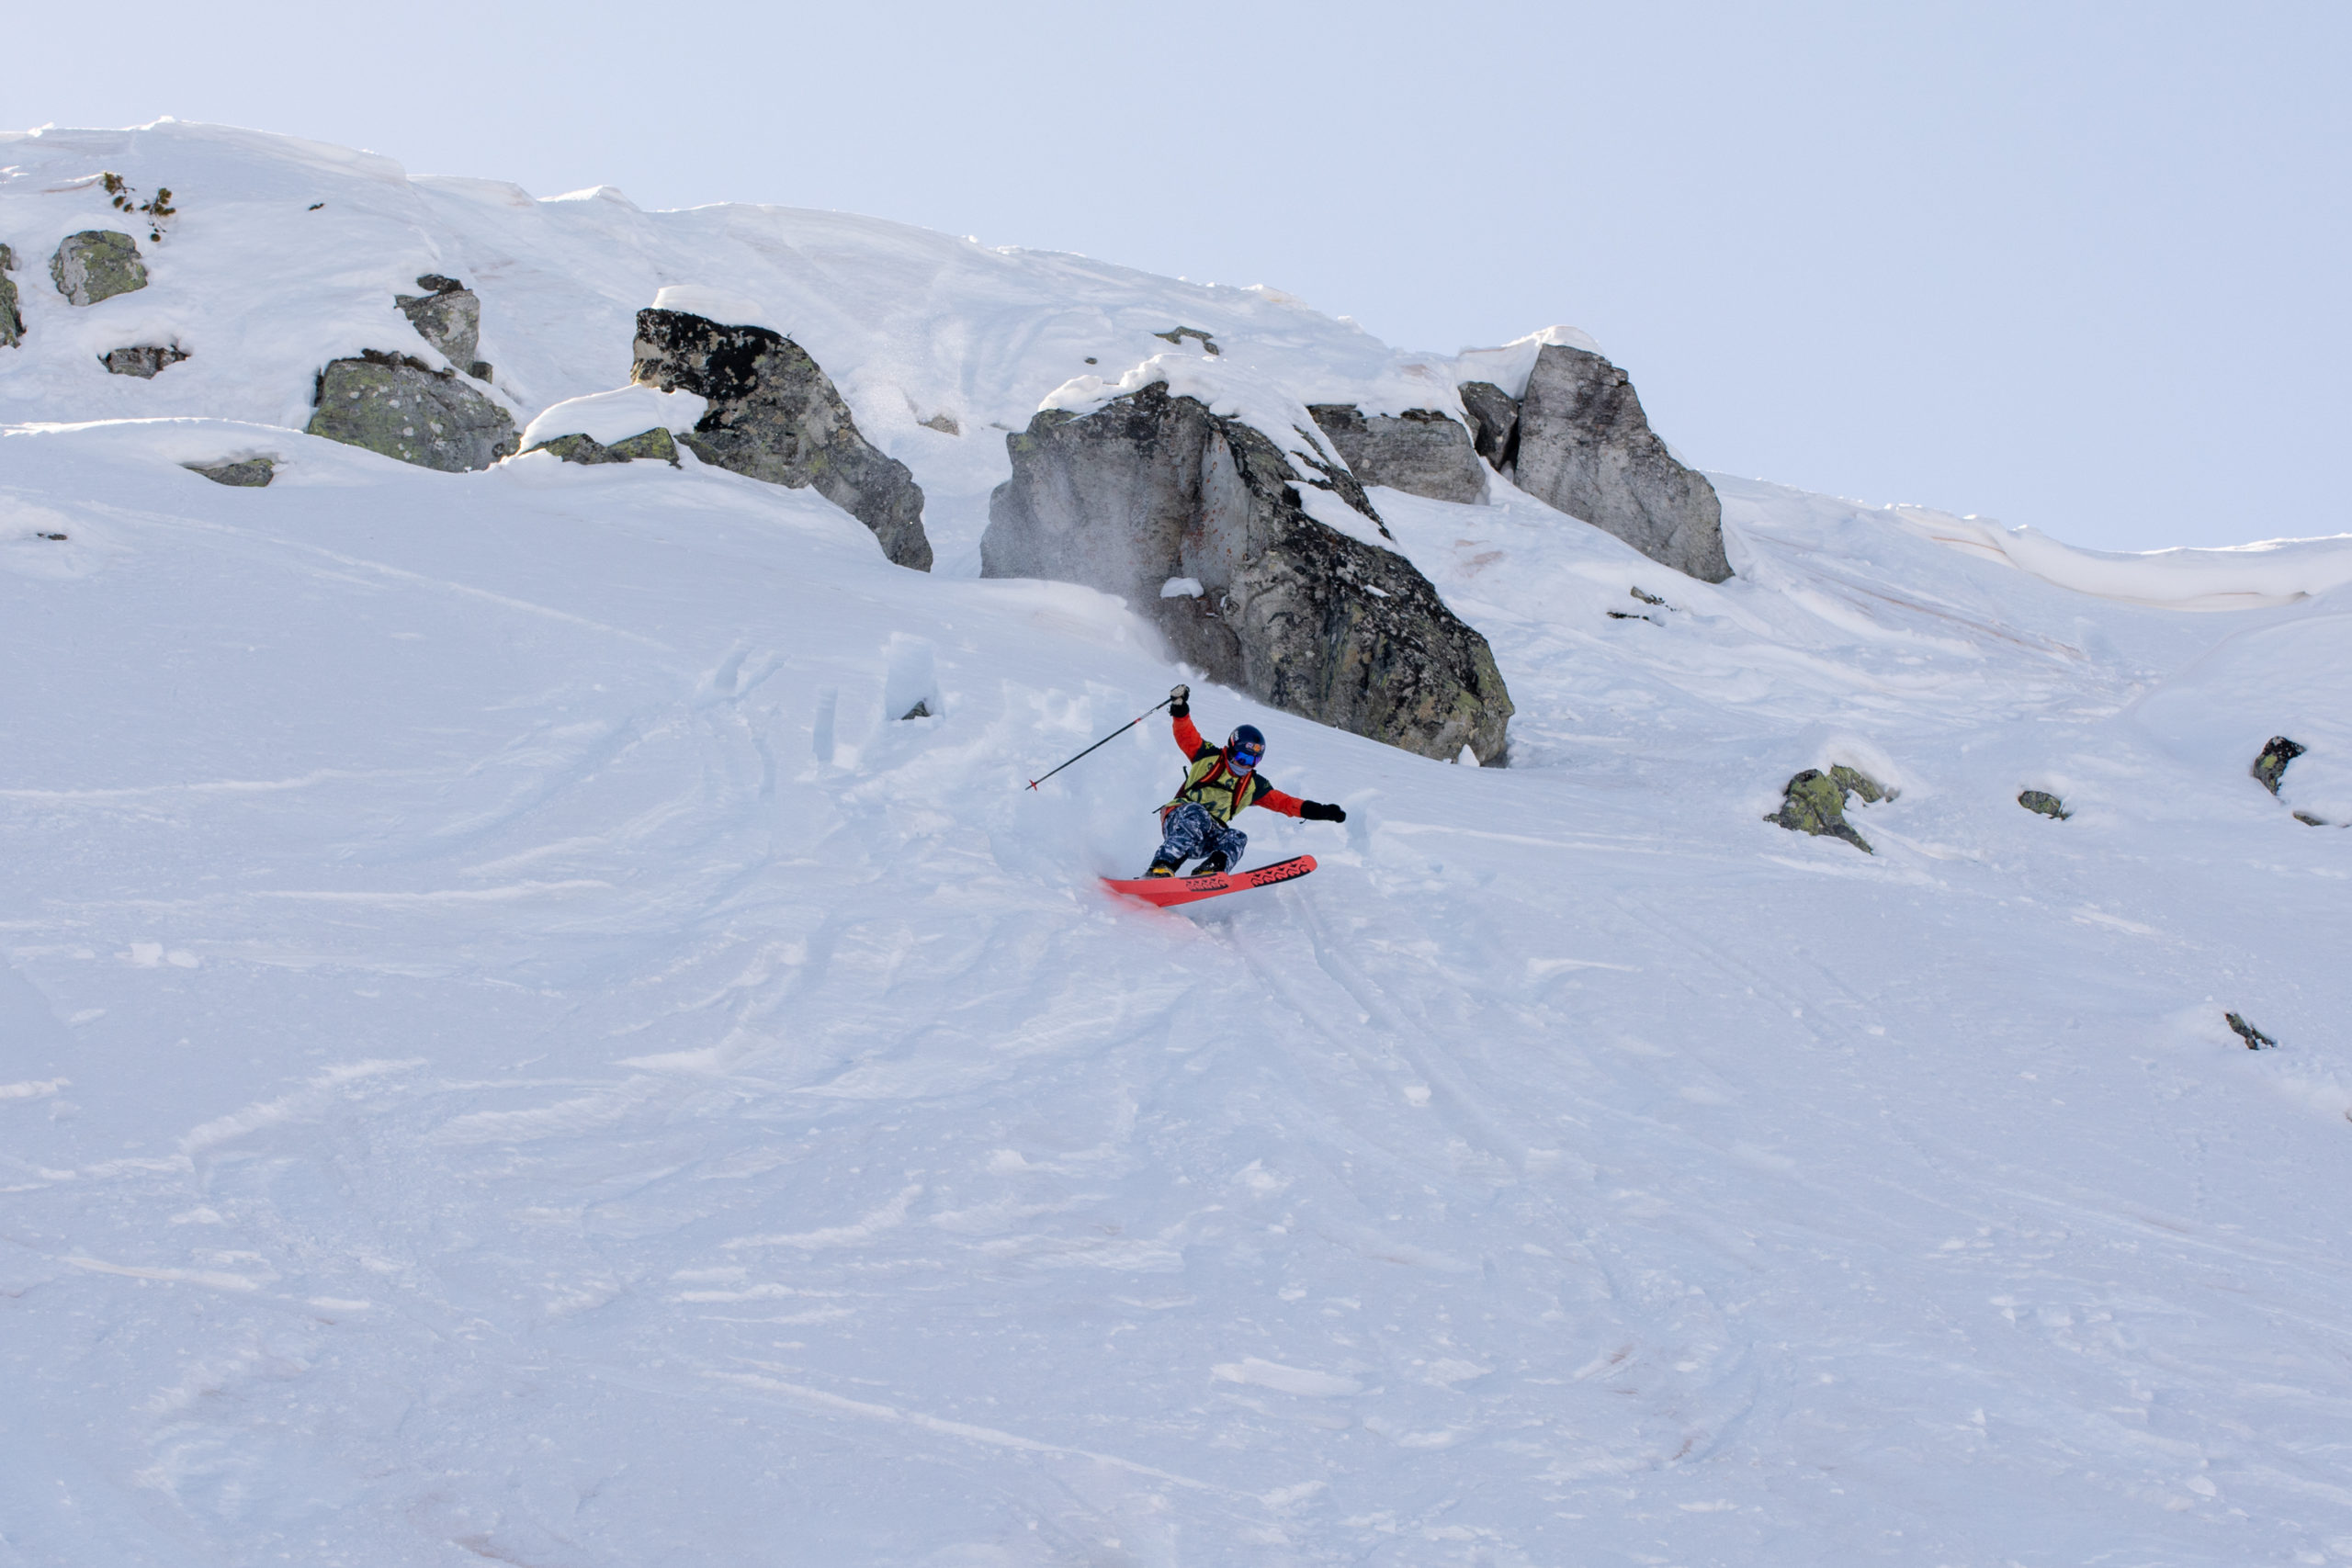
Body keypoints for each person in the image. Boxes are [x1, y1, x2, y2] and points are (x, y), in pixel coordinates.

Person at [1145, 684, 1347, 877]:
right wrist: (1179, 708)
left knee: (1237, 837)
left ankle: (1210, 872)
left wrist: (1322, 811)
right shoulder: (1207, 756)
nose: (1244, 765)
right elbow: (1186, 735)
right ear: (1231, 750)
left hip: (1206, 836)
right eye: (1242, 758)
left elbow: (1285, 803)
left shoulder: (1252, 785)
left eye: (1252, 761)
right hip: (1180, 819)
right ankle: (1162, 866)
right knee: (1198, 813)